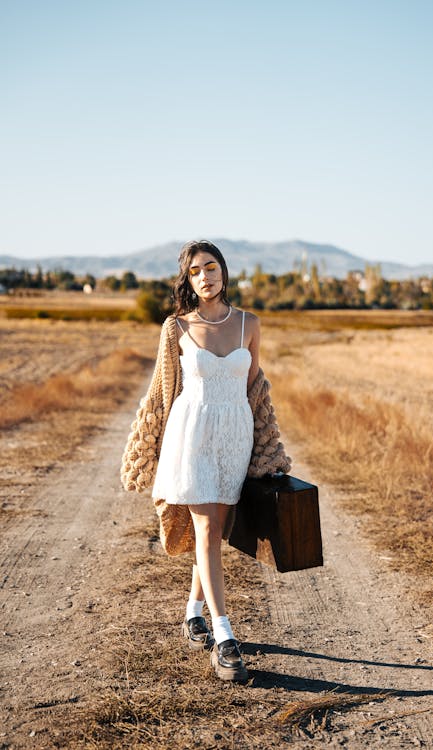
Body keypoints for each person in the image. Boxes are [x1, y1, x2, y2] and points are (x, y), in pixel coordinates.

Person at [121, 239, 291, 682]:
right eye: (195, 271)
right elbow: (162, 390)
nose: (204, 276)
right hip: (191, 434)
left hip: (234, 435)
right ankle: (224, 636)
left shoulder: (248, 325)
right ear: (188, 280)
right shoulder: (176, 328)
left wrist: (268, 449)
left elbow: (256, 391)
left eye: (210, 267)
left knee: (219, 529)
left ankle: (194, 610)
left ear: (223, 271)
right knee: (207, 528)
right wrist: (147, 445)